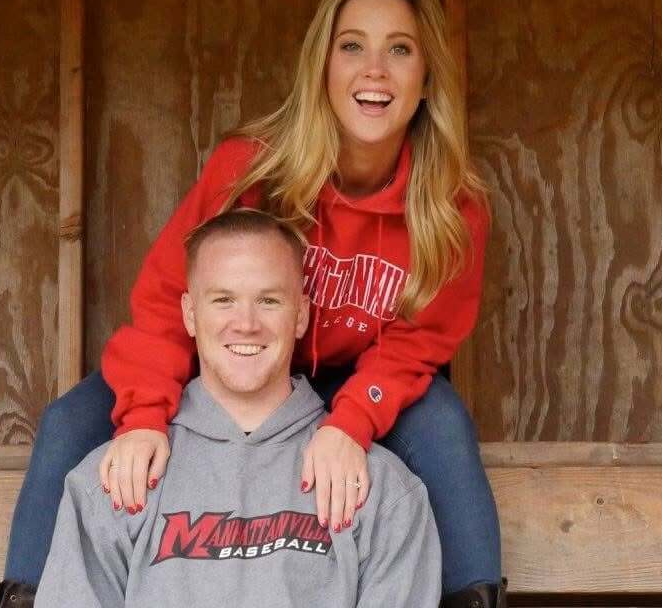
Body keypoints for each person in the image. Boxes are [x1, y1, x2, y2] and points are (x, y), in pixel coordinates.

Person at [0, 0, 505, 608]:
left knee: (443, 426)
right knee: (71, 422)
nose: (374, 70)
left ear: (426, 75)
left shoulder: (451, 205)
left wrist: (349, 426)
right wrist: (144, 418)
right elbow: (165, 303)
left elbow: (419, 343)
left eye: (399, 49)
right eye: (352, 46)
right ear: (320, 66)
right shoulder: (254, 165)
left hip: (354, 382)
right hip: (240, 364)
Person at [33, 209, 442, 607]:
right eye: (224, 300)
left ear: (301, 315)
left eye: (268, 301)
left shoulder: (379, 490)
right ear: (189, 315)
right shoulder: (120, 480)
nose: (245, 323)